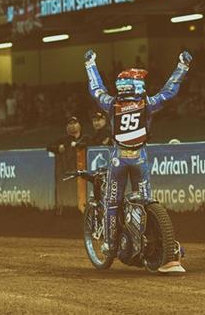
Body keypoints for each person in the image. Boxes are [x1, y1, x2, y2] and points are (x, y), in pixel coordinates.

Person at [84, 48, 192, 273]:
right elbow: (169, 91)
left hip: (118, 159)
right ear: (137, 87)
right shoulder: (148, 104)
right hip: (140, 159)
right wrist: (182, 67)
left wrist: (90, 66)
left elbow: (96, 90)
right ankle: (149, 241)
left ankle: (109, 245)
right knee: (144, 201)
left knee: (112, 203)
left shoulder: (112, 103)